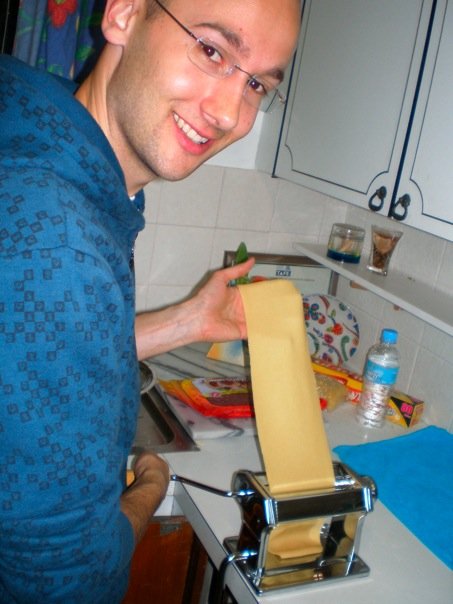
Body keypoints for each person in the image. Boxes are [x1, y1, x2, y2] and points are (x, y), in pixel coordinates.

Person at [0, 0, 301, 601]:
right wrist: (149, 484)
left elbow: (33, 347)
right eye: (212, 50)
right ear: (124, 14)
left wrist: (190, 320)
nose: (228, 115)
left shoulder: (35, 126)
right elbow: (71, 580)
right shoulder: (58, 235)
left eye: (256, 85)